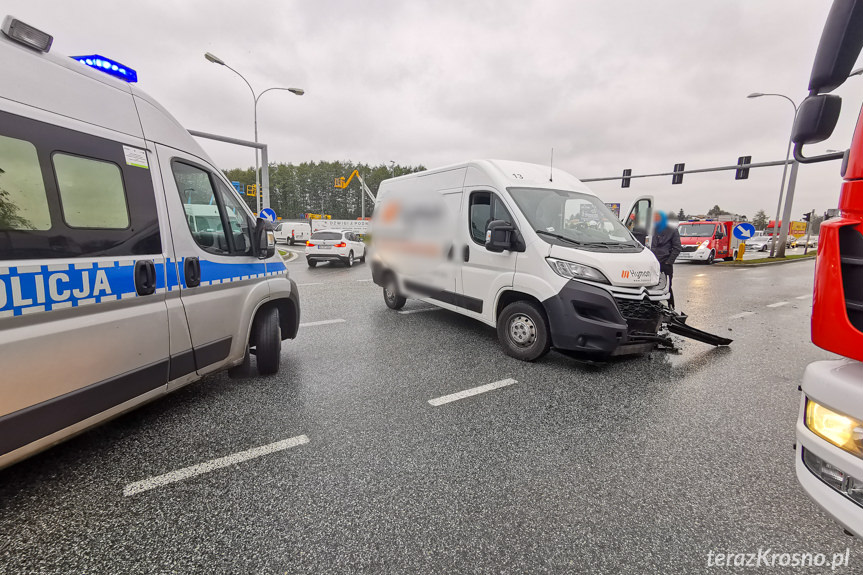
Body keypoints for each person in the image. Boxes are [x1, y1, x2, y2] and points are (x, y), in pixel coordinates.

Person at [650, 211, 681, 308]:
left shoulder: (672, 230)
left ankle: (671, 307)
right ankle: (655, 307)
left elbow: (677, 248)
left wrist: (669, 261)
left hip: (665, 263)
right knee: (652, 287)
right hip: (654, 263)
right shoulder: (653, 229)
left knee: (667, 287)